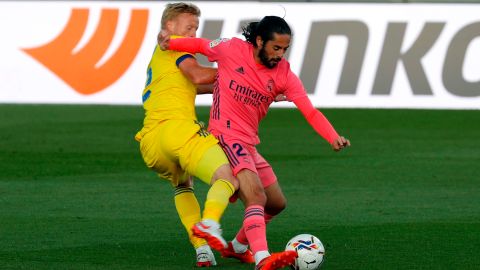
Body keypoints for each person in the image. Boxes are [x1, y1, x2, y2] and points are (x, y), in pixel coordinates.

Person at [158, 15, 351, 270]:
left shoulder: (284, 74)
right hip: (224, 135)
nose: (280, 55)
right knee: (256, 195)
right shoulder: (232, 50)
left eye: (285, 49)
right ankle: (262, 258)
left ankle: (238, 247)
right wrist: (169, 42)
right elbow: (201, 45)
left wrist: (332, 136)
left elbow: (310, 111)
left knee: (277, 204)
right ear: (259, 41)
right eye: (276, 48)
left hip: (248, 143)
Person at [134, 3, 242, 267]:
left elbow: (198, 85)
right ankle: (210, 223)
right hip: (177, 131)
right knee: (227, 177)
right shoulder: (174, 46)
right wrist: (244, 74)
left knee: (183, 185)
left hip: (151, 142)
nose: (193, 33)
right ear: (169, 26)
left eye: (196, 28)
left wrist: (249, 87)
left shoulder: (160, 58)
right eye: (189, 27)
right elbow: (198, 75)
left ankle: (201, 249)